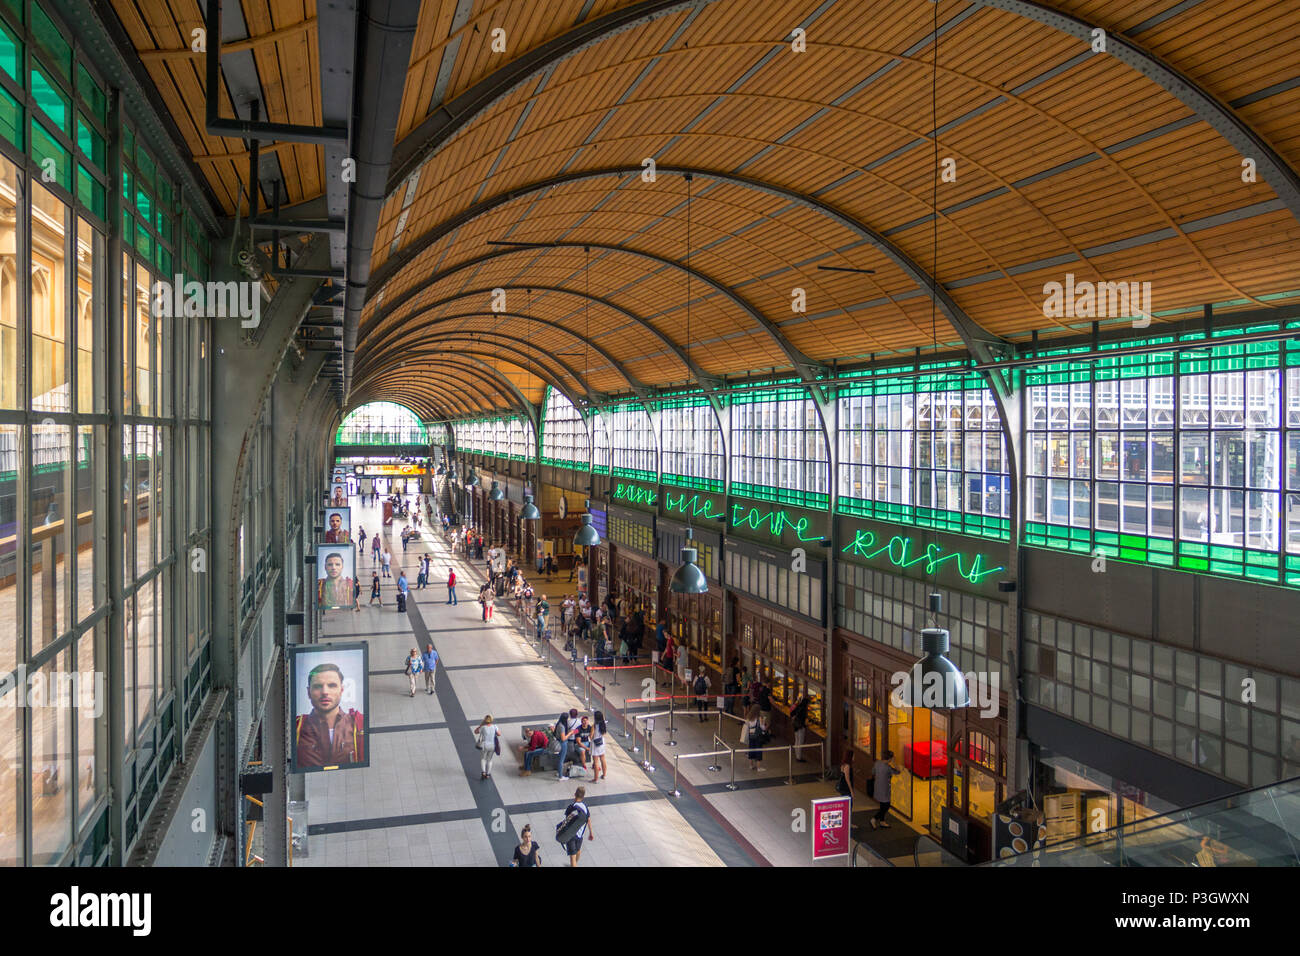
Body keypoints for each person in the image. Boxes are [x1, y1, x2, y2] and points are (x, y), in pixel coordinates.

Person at [294, 662, 365, 768]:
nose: (325, 692)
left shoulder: (360, 724)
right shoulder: (295, 726)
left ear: (341, 690)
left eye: (332, 685)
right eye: (318, 686)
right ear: (308, 692)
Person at [558, 787, 592, 866]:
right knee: (578, 851)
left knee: (572, 858)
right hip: (580, 835)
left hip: (571, 835)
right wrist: (591, 833)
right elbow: (589, 820)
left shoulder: (571, 807)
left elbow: (566, 821)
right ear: (583, 797)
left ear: (574, 795)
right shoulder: (585, 807)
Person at [870, 750, 900, 829]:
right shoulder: (887, 767)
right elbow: (898, 771)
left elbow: (873, 772)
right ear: (890, 758)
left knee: (882, 805)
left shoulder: (877, 763)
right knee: (886, 806)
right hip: (884, 789)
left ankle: (882, 821)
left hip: (877, 787)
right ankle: (874, 818)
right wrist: (895, 763)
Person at [474, 715, 501, 779]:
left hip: (484, 745)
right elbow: (499, 734)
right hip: (492, 745)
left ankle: (483, 772)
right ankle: (488, 774)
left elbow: (475, 732)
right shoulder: (494, 726)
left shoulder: (483, 727)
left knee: (483, 759)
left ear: (485, 720)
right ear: (491, 720)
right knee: (489, 760)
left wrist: (481, 725)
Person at [554, 709, 578, 780]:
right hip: (563, 744)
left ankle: (559, 772)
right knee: (561, 760)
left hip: (559, 742)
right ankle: (560, 776)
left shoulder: (559, 724)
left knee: (560, 759)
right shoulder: (562, 726)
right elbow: (563, 738)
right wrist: (570, 733)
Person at [588, 711, 608, 783]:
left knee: (596, 761)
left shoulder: (594, 725)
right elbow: (604, 733)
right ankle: (604, 775)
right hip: (601, 742)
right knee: (603, 758)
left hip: (595, 743)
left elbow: (591, 736)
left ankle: (595, 779)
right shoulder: (603, 724)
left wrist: (590, 737)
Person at [791, 692, 810, 761]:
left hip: (795, 726)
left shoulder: (798, 706)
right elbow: (804, 720)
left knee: (796, 740)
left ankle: (797, 755)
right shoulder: (804, 710)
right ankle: (799, 757)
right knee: (800, 742)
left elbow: (792, 712)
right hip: (800, 727)